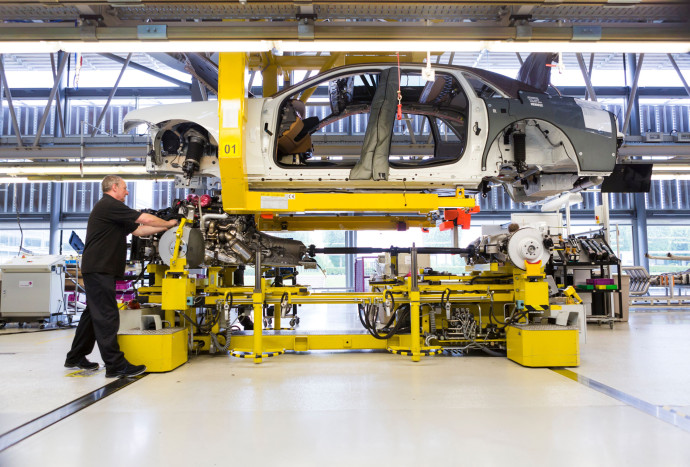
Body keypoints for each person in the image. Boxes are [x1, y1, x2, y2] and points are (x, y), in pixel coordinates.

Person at [65, 175, 178, 378]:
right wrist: (169, 221)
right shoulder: (109, 204)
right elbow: (144, 218)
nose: (127, 192)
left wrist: (167, 227)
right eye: (125, 188)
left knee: (93, 314)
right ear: (114, 187)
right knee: (107, 316)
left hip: (99, 269)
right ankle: (115, 365)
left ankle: (75, 357)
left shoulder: (112, 211)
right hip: (99, 269)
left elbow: (139, 230)